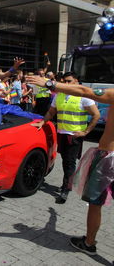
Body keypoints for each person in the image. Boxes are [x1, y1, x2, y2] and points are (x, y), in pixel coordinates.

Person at [26, 73, 114, 256]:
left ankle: (89, 243)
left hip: (108, 158)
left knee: (95, 202)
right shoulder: (60, 98)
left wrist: (50, 83)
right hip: (92, 149)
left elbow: (84, 91)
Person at [31, 72, 100, 203]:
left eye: (69, 81)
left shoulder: (83, 96)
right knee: (65, 160)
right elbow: (51, 112)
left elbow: (96, 115)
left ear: (76, 81)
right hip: (62, 134)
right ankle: (68, 183)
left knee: (69, 162)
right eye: (65, 81)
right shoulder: (59, 95)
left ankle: (65, 188)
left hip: (74, 136)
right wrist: (42, 122)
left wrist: (85, 132)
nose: (66, 84)